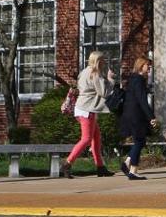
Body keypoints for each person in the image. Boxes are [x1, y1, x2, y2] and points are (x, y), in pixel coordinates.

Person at [62, 50, 115, 178]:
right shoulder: (95, 74)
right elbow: (104, 92)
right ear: (98, 61)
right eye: (102, 60)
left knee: (96, 139)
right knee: (86, 139)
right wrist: (110, 79)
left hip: (81, 108)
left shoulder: (84, 71)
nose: (104, 62)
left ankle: (100, 167)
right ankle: (67, 164)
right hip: (87, 110)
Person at [117, 56, 157, 180]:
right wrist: (151, 117)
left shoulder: (133, 79)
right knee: (140, 141)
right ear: (141, 66)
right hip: (136, 115)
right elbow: (142, 100)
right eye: (147, 65)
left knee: (139, 141)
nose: (149, 68)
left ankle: (129, 164)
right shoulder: (139, 80)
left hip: (130, 113)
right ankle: (132, 169)